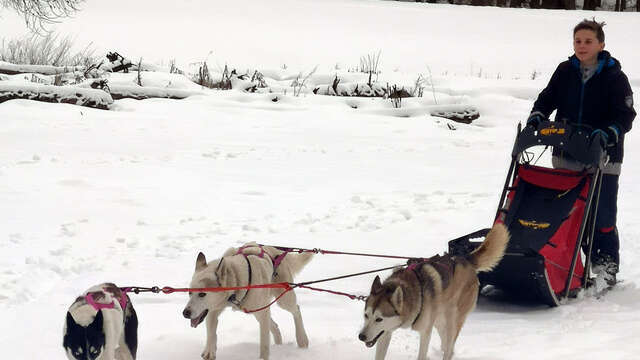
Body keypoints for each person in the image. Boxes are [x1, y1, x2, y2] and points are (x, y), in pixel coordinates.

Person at [526, 18, 635, 287]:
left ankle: (605, 265)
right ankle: (570, 264)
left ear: (601, 44)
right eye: (577, 41)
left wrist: (609, 132)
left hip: (603, 157)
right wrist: (537, 116)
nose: (582, 46)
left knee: (602, 214)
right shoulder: (565, 71)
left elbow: (626, 115)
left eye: (588, 41)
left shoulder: (614, 77)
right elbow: (547, 97)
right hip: (567, 152)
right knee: (568, 212)